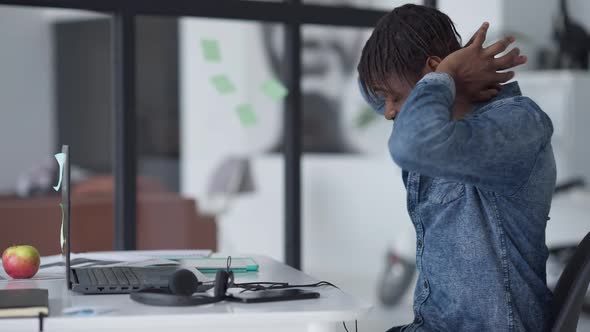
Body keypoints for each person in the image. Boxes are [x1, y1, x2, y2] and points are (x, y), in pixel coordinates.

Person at [358, 4, 555, 332]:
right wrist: (444, 75)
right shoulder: (443, 133)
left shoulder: (518, 123)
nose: (389, 113)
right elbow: (386, 109)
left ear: (435, 73)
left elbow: (410, 144)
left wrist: (444, 77)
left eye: (392, 97)